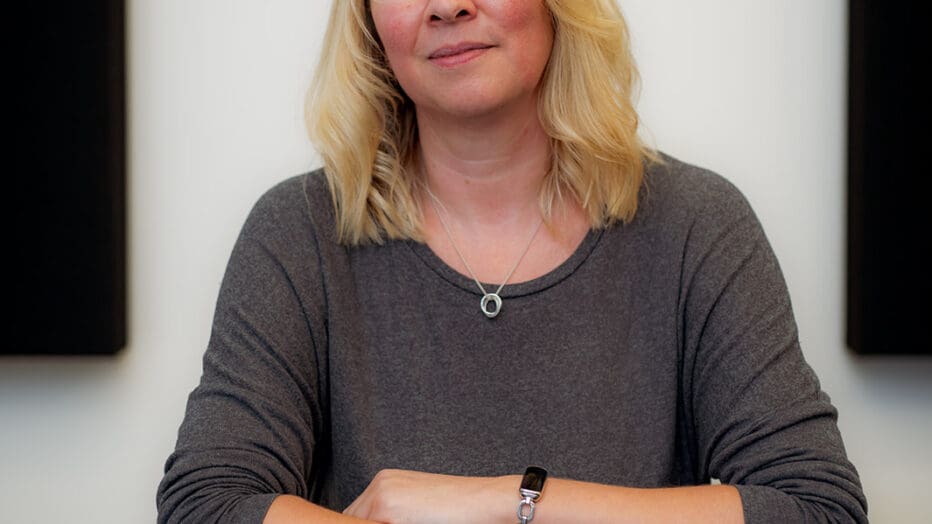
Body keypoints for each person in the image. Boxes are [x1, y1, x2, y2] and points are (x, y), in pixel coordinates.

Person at [157, 0, 867, 522]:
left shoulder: (696, 225)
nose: (448, 7)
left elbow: (817, 508)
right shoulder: (300, 231)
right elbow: (205, 504)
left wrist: (509, 502)